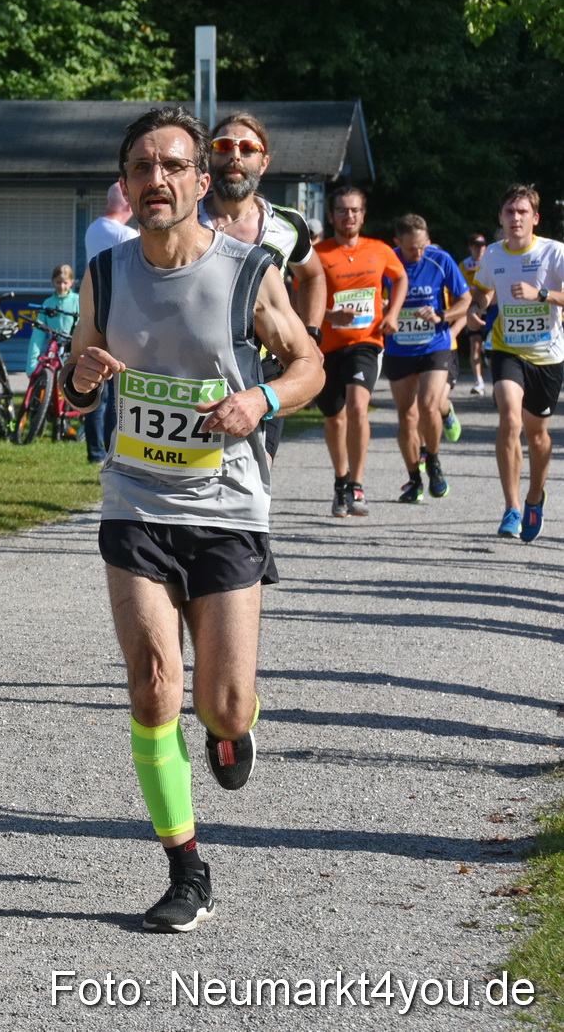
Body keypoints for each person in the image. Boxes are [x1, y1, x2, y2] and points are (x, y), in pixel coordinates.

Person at [62, 104, 322, 933]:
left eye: (174, 166)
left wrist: (262, 397)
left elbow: (310, 362)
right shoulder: (105, 273)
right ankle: (186, 864)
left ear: (202, 181)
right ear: (127, 184)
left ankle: (231, 728)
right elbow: (73, 384)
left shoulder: (248, 270)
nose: (157, 180)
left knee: (224, 702)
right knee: (150, 686)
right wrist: (82, 383)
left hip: (227, 509)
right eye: (142, 168)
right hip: (135, 501)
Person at [197, 112, 327, 464]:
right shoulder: (185, 219)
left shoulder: (288, 225)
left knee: (256, 478)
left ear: (263, 161)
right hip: (196, 367)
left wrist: (311, 335)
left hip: (264, 368)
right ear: (209, 157)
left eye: (247, 148)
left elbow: (313, 276)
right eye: (223, 146)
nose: (235, 155)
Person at [469, 184, 564, 540]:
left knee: (538, 435)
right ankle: (511, 508)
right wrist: (476, 310)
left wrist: (542, 294)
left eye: (522, 212)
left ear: (535, 218)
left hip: (548, 357)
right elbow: (483, 290)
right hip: (507, 349)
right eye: (509, 212)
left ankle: (534, 496)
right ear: (501, 218)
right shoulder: (493, 254)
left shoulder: (555, 253)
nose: (515, 218)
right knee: (510, 418)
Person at [315, 187, 407, 517]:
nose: (348, 216)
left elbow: (401, 279)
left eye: (354, 210)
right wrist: (329, 316)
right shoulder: (317, 253)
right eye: (342, 210)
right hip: (327, 348)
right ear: (331, 216)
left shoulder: (379, 250)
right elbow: (299, 301)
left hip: (366, 342)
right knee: (335, 419)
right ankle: (341, 482)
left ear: (363, 215)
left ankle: (356, 483)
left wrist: (393, 313)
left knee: (357, 406)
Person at [388, 215, 470, 502]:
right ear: (398, 243)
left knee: (428, 404)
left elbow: (465, 300)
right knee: (407, 417)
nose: (419, 254)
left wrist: (442, 316)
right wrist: (386, 311)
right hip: (399, 348)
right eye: (412, 249)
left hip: (435, 344)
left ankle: (433, 461)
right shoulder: (388, 261)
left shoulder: (440, 259)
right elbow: (373, 298)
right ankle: (414, 480)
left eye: (423, 246)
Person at [80, 181, 139, 463]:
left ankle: (94, 452)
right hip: (123, 314)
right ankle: (114, 449)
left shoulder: (94, 228)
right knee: (117, 393)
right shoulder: (126, 234)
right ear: (129, 203)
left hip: (95, 310)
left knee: (93, 388)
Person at [461, 233, 490, 394]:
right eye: (475, 245)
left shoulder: (492, 261)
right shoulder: (464, 266)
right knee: (475, 344)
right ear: (470, 246)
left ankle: (498, 380)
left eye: (482, 245)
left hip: (492, 310)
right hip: (474, 310)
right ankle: (479, 381)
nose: (479, 248)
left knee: (493, 346)